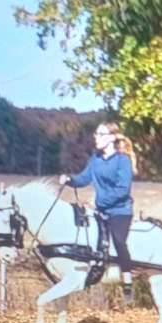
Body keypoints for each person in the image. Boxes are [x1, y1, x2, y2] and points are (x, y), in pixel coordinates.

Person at [59, 123, 137, 302]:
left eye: (100, 134)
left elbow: (122, 190)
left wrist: (98, 201)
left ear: (111, 137)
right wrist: (70, 180)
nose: (96, 137)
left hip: (120, 211)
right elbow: (84, 178)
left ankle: (127, 280)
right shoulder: (95, 158)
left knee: (118, 240)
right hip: (100, 210)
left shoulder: (122, 160)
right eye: (96, 134)